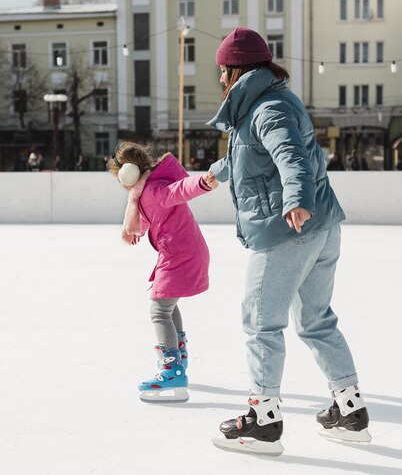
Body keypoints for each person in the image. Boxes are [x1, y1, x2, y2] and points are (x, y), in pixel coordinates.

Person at [206, 27, 371, 456]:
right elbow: (251, 154)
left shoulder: (266, 109)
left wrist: (296, 199)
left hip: (288, 231)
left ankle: (263, 421)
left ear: (232, 70)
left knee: (261, 324)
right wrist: (216, 172)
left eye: (221, 71)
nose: (220, 80)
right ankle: (349, 410)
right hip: (322, 228)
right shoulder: (271, 101)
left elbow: (290, 156)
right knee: (316, 320)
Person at [107, 142, 218, 403]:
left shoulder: (154, 190)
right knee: (168, 305)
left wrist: (203, 182)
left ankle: (172, 371)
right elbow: (152, 214)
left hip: (181, 253)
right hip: (181, 250)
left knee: (159, 309)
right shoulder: (144, 192)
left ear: (128, 173)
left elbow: (177, 191)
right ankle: (178, 361)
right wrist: (138, 228)